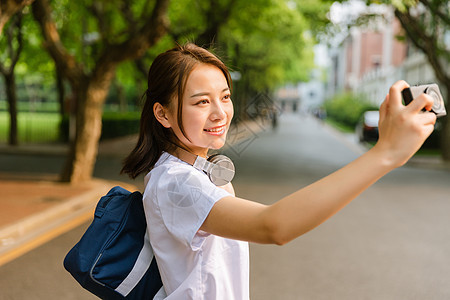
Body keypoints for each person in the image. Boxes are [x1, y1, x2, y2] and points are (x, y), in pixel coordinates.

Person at [121, 43, 436, 299]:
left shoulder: (186, 170)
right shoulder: (177, 184)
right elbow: (272, 226)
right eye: (201, 102)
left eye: (225, 97)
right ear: (162, 114)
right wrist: (384, 155)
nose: (220, 113)